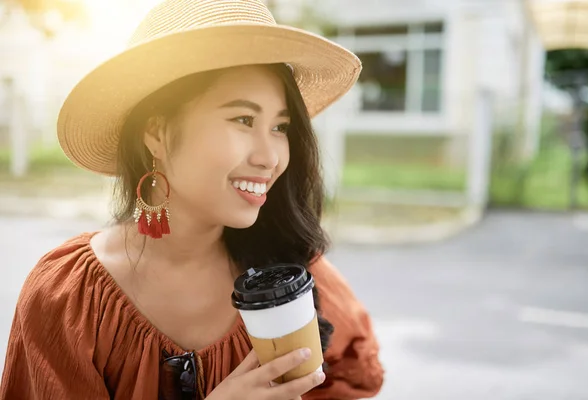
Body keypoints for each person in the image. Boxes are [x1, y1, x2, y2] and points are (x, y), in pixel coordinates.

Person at [0, 0, 384, 399]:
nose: (270, 157)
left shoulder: (291, 271)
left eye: (281, 126)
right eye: (243, 120)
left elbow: (351, 382)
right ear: (157, 133)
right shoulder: (69, 300)